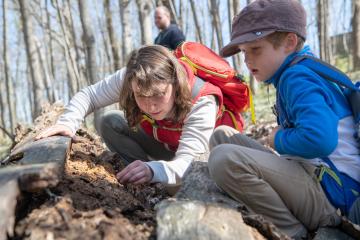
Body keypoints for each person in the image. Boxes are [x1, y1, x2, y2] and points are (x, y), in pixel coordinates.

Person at [207, 0, 360, 239]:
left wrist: (278, 138)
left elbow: (320, 140)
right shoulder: (299, 70)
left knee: (222, 158)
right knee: (221, 136)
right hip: (314, 176)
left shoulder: (296, 77)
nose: (247, 61)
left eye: (255, 49)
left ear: (289, 42)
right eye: (244, 52)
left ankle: (293, 232)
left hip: (334, 196)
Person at [36, 45, 228, 187]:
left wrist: (155, 170)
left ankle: (153, 177)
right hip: (165, 144)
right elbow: (90, 95)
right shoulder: (133, 76)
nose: (150, 105)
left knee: (188, 184)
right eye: (141, 96)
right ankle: (142, 181)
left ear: (175, 83)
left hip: (199, 157)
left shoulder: (202, 100)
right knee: (110, 122)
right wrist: (68, 123)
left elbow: (187, 164)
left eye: (159, 94)